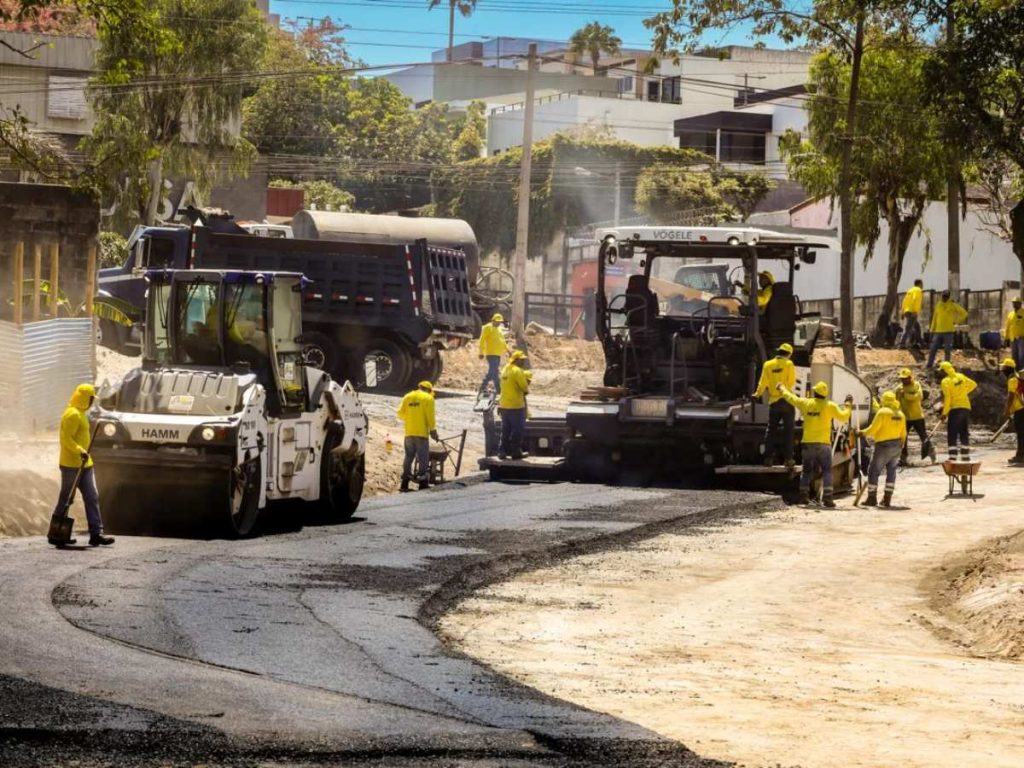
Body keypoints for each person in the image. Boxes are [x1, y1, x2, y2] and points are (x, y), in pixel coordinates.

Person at [48, 384, 114, 548]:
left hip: (85, 465)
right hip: (71, 465)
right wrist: (80, 451)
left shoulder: (82, 414)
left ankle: (96, 534)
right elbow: (66, 439)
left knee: (92, 497)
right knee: (66, 499)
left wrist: (84, 455)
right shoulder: (72, 415)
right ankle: (56, 534)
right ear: (86, 398)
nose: (92, 402)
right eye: (92, 398)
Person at [777, 381, 853, 508]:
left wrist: (782, 388)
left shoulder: (806, 403)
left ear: (815, 392)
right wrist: (848, 404)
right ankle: (828, 498)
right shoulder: (830, 406)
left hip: (808, 443)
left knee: (806, 471)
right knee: (827, 471)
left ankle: (803, 496)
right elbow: (844, 416)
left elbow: (792, 398)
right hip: (824, 444)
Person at [857, 391, 907, 507]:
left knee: (873, 471)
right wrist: (901, 447)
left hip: (883, 446)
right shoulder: (900, 414)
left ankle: (872, 498)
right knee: (891, 471)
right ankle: (887, 499)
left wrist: (862, 433)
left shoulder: (882, 412)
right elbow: (904, 433)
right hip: (897, 445)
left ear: (884, 400)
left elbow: (873, 429)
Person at [752, 343, 797, 466]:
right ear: (789, 354)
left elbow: (762, 383)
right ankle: (788, 459)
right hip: (787, 401)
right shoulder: (789, 364)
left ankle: (768, 459)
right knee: (788, 431)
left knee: (771, 430)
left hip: (774, 402)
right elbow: (792, 382)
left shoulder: (768, 365)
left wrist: (757, 394)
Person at [397, 380, 438, 491]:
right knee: (423, 458)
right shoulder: (428, 398)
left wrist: (411, 417)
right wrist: (433, 430)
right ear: (429, 390)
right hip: (421, 434)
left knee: (409, 456)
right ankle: (423, 482)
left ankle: (405, 482)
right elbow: (431, 416)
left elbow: (400, 413)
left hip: (409, 433)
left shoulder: (407, 396)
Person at [896, 367, 936, 465]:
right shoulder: (898, 389)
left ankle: (932, 456)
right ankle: (903, 458)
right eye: (902, 378)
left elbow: (918, 397)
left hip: (918, 416)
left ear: (910, 377)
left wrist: (905, 395)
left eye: (906, 378)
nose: (904, 380)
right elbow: (896, 402)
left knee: (924, 437)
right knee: (903, 438)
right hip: (905, 417)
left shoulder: (916, 385)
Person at [938, 361, 977, 461]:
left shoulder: (945, 381)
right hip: (965, 407)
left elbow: (948, 398)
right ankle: (965, 456)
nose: (940, 373)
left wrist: (944, 413)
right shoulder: (960, 376)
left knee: (952, 432)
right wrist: (963, 393)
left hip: (955, 409)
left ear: (945, 371)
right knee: (964, 432)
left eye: (941, 371)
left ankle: (953, 456)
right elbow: (973, 384)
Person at [499, 350, 531, 460]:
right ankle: (515, 451)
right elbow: (524, 387)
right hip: (516, 406)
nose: (523, 362)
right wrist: (526, 388)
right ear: (516, 360)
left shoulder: (505, 369)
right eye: (521, 360)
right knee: (517, 429)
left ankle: (502, 451)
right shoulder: (517, 371)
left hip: (504, 405)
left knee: (505, 430)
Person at [926, 290, 968, 369]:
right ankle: (929, 365)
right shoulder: (938, 305)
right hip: (938, 332)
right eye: (943, 296)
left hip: (948, 332)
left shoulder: (953, 305)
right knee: (933, 349)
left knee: (947, 351)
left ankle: (946, 367)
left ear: (948, 297)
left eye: (946, 296)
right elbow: (934, 319)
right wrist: (931, 331)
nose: (944, 298)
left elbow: (964, 313)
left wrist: (956, 321)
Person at [1000, 358, 1024, 465]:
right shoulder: (1018, 378)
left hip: (1020, 410)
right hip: (1021, 409)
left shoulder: (1012, 380)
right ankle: (1020, 455)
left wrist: (1007, 411)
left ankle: (1020, 457)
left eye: (1003, 368)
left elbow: (1011, 397)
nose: (1002, 370)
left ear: (1007, 369)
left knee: (1021, 434)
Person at [478, 313, 508, 395]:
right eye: (497, 321)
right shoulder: (488, 327)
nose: (498, 323)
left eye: (500, 322)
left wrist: (508, 350)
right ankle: (483, 387)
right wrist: (481, 352)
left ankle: (498, 390)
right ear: (493, 320)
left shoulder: (499, 329)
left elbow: (503, 341)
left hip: (498, 354)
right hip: (491, 353)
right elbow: (482, 340)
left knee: (495, 372)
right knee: (492, 371)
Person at [899, 279, 924, 349]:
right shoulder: (918, 290)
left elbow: (904, 301)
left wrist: (902, 311)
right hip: (912, 312)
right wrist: (915, 311)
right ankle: (902, 344)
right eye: (922, 284)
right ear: (919, 284)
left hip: (907, 311)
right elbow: (915, 299)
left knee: (917, 327)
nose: (922, 286)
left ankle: (920, 343)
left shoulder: (910, 290)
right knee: (908, 328)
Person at [1004, 297, 1024, 370]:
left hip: (1022, 338)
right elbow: (1007, 327)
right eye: (1013, 303)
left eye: (1016, 303)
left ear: (1020, 304)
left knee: (1021, 357)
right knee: (1014, 356)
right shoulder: (1010, 314)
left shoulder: (1023, 312)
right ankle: (1015, 372)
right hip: (1013, 339)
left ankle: (1022, 373)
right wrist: (1006, 338)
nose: (1014, 304)